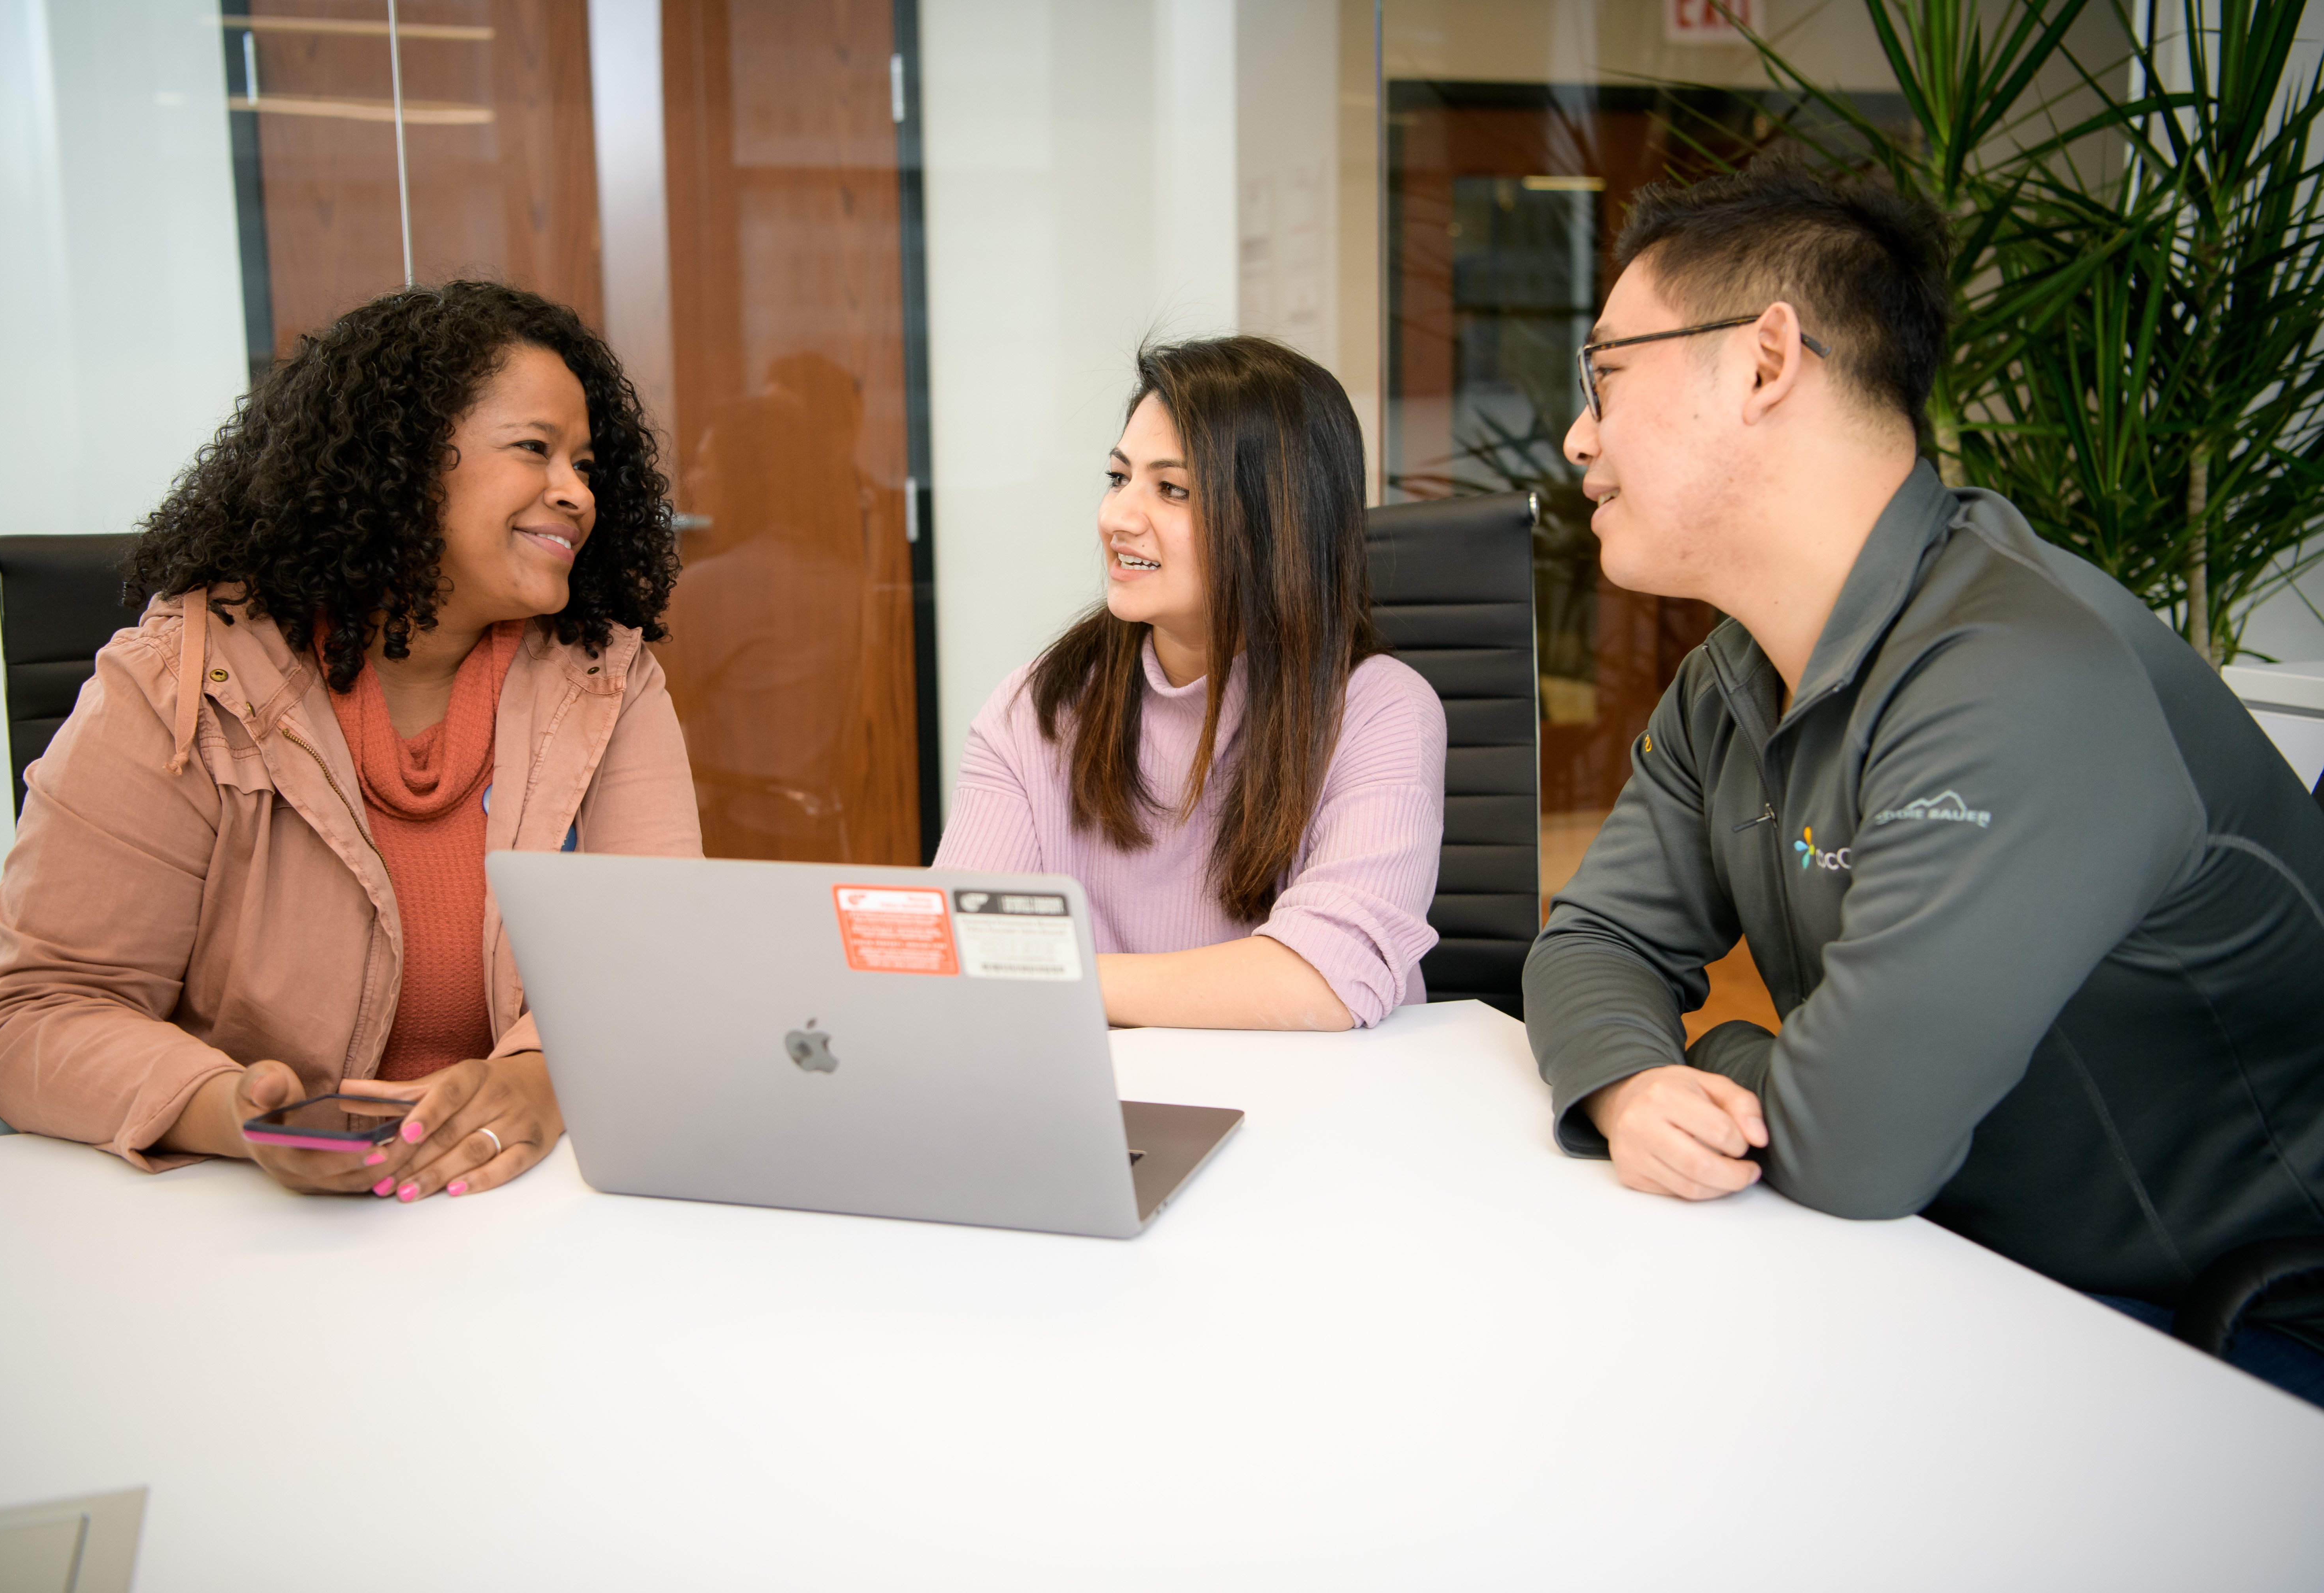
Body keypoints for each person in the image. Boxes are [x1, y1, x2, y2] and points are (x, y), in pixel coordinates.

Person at [1523, 161, 2324, 1402]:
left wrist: (1714, 1047)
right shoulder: (1734, 676)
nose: (1580, 435)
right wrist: (1633, 1081)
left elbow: (1850, 1145)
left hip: (2209, 1350)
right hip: (1947, 1273)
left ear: (1765, 362)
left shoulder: (2025, 678)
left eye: (1608, 375)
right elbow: (1592, 942)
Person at [0, 281, 701, 1201]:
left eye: (585, 465)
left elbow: (657, 967)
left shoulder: (607, 679)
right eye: (534, 450)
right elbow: (37, 1015)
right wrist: (236, 1113)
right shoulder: (177, 685)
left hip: (519, 1207)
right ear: (400, 462)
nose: (575, 493)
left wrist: (535, 1081)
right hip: (236, 1226)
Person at [936, 336, 1445, 1030]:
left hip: (1315, 1091)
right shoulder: (1039, 706)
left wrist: (1049, 974)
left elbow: (1323, 983)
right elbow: (965, 958)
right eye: (1119, 478)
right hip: (1111, 1087)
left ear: (1276, 522)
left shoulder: (1380, 710)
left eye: (1171, 489)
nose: (1116, 518)